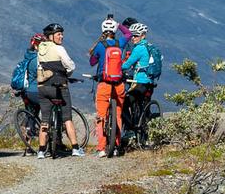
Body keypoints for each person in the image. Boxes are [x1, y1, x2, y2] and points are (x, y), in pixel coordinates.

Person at [35, 23, 84, 157]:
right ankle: (75, 148)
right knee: (67, 118)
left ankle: (40, 151)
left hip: (43, 87)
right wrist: (66, 74)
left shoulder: (40, 48)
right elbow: (70, 65)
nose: (61, 36)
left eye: (62, 34)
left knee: (45, 120)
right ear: (51, 36)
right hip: (59, 87)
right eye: (59, 34)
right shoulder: (59, 48)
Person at [87, 18, 127, 156]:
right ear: (115, 30)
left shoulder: (100, 45)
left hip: (104, 83)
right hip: (119, 83)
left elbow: (92, 62)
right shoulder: (120, 43)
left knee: (101, 116)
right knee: (118, 115)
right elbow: (128, 34)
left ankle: (102, 148)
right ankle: (116, 147)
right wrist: (119, 24)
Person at [122, 22, 159, 141]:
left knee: (124, 103)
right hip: (149, 83)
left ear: (143, 35)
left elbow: (127, 65)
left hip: (140, 83)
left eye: (135, 36)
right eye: (132, 36)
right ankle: (145, 136)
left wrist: (114, 68)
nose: (133, 38)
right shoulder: (149, 46)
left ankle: (130, 130)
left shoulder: (139, 48)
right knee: (144, 107)